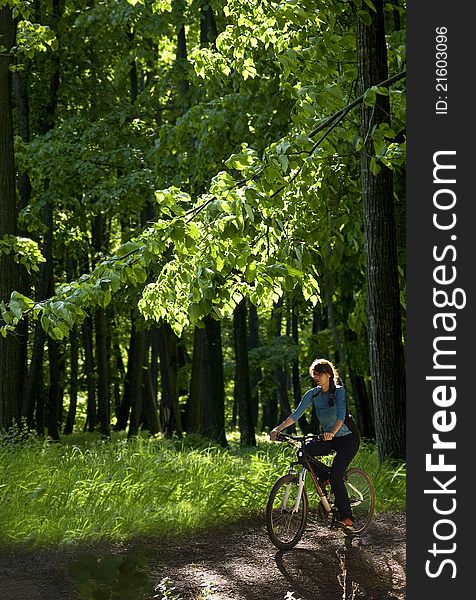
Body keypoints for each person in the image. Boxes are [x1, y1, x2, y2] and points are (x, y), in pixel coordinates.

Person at [269, 358, 360, 529]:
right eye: (314, 374)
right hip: (329, 438)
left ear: (329, 375)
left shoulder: (339, 391)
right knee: (303, 452)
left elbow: (341, 416)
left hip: (348, 439)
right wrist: (277, 429)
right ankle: (324, 476)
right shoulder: (313, 394)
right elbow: (296, 414)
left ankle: (347, 517)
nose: (316, 376)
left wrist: (332, 432)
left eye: (320, 373)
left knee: (336, 476)